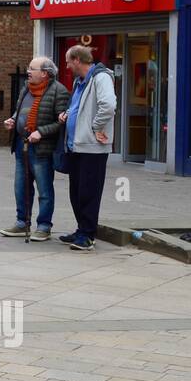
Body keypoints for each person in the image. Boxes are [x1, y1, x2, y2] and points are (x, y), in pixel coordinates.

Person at [0, 57, 69, 242]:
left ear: (45, 73)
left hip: (42, 149)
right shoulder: (26, 88)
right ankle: (22, 223)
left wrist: (41, 132)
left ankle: (44, 226)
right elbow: (20, 110)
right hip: (21, 146)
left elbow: (61, 122)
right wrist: (13, 120)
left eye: (32, 68)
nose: (28, 71)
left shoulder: (58, 91)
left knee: (44, 190)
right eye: (29, 68)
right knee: (21, 187)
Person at [59, 45, 117, 251]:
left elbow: (108, 105)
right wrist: (67, 114)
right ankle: (81, 229)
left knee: (88, 191)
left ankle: (88, 235)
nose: (66, 66)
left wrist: (95, 127)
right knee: (76, 191)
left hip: (92, 146)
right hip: (76, 146)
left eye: (68, 62)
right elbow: (77, 107)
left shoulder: (101, 78)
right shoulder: (79, 82)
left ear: (77, 60)